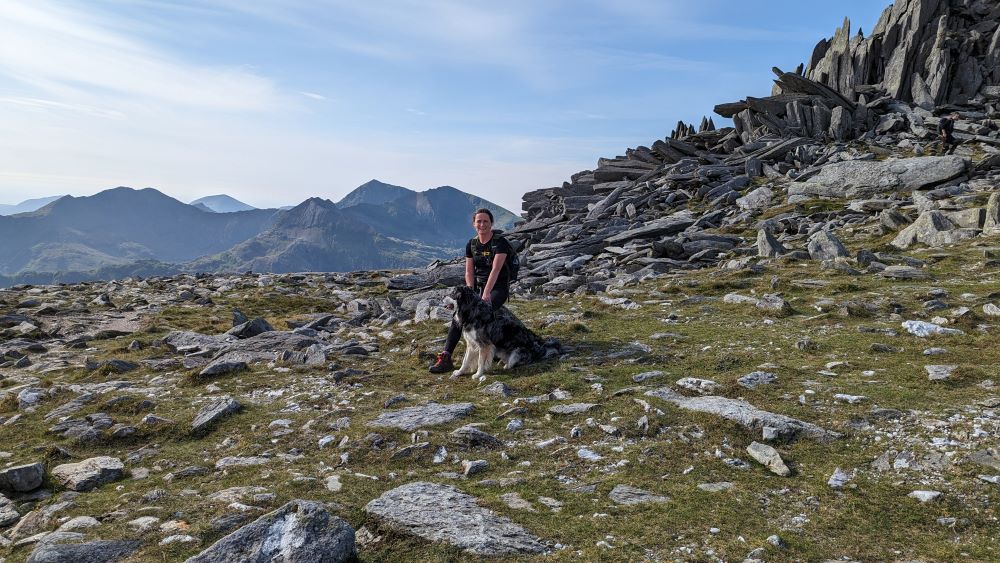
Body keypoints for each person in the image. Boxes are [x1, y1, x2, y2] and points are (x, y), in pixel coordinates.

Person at [428, 208, 514, 373]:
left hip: (497, 286)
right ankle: (446, 357)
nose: (482, 224)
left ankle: (485, 349)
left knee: (483, 312)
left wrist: (486, 293)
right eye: (479, 221)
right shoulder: (472, 244)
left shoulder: (500, 243)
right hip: (478, 285)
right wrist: (467, 295)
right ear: (474, 224)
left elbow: (496, 270)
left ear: (491, 223)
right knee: (459, 316)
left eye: (485, 221)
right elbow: (469, 271)